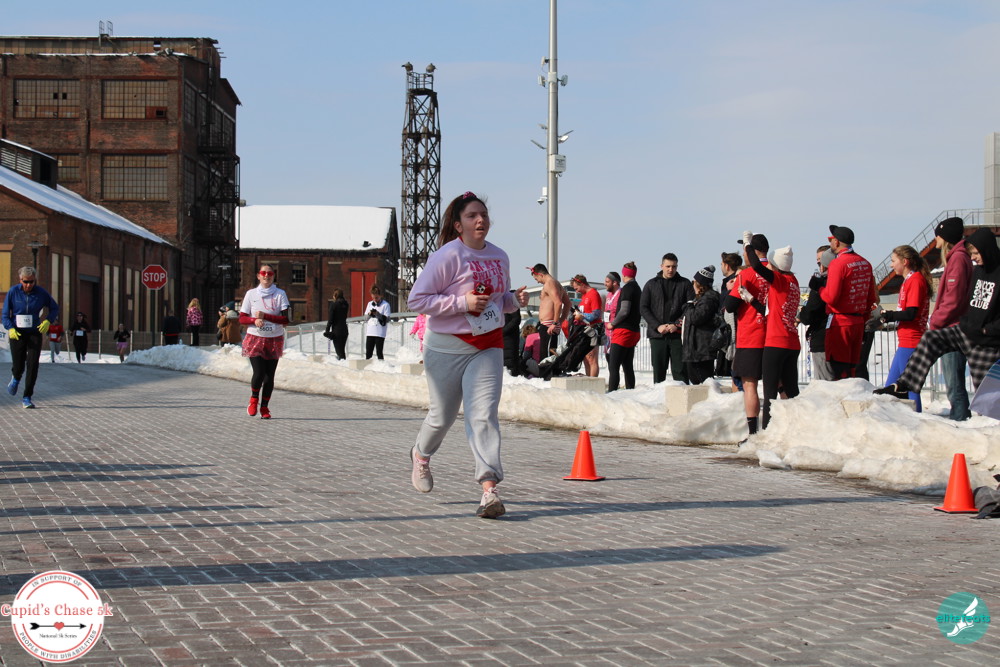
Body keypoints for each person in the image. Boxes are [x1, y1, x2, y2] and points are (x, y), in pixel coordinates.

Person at [407, 191, 528, 519]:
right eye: (472, 215)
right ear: (458, 225)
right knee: (442, 416)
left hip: (487, 344)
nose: (480, 220)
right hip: (446, 346)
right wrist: (462, 303)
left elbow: (498, 300)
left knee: (483, 415)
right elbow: (417, 300)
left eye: (484, 215)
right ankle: (421, 455)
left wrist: (513, 300)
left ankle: (489, 490)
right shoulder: (447, 256)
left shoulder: (500, 256)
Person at [876, 229, 1000, 401]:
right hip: (966, 330)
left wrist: (988, 330)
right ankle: (905, 386)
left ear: (988, 250)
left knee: (986, 397)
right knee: (931, 338)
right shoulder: (978, 270)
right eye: (971, 254)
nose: (973, 258)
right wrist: (965, 322)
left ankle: (989, 414)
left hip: (987, 340)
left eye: (976, 254)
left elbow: (954, 298)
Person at [743, 238, 801, 430]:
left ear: (776, 266)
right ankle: (795, 429)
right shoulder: (793, 282)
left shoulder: (780, 280)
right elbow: (773, 311)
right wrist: (752, 300)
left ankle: (767, 433)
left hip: (776, 342)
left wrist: (748, 245)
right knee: (791, 392)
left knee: (770, 394)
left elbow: (757, 266)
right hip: (792, 342)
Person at [817, 225, 878, 379]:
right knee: (853, 370)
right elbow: (871, 298)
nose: (831, 243)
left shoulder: (838, 264)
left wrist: (819, 288)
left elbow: (831, 297)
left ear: (836, 242)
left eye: (831, 240)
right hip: (858, 322)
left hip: (840, 323)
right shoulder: (865, 263)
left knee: (840, 372)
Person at [725, 234, 771, 436]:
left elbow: (730, 305)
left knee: (750, 385)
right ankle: (776, 428)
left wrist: (731, 289)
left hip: (751, 334)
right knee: (775, 385)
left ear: (750, 251)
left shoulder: (747, 274)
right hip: (773, 335)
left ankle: (753, 433)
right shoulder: (776, 271)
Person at [878, 245, 933, 411]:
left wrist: (890, 315)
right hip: (906, 340)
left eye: (893, 261)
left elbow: (911, 313)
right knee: (890, 389)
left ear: (905, 261)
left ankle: (917, 420)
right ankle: (897, 421)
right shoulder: (909, 280)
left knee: (909, 387)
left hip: (912, 340)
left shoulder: (916, 280)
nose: (891, 265)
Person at [928, 217, 973, 420]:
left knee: (954, 383)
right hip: (952, 325)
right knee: (953, 382)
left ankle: (960, 419)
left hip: (952, 328)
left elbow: (953, 299)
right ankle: (960, 416)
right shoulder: (958, 258)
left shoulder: (958, 259)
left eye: (938, 235)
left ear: (945, 238)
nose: (935, 240)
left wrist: (936, 321)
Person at [3, 265, 60, 409]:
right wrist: (10, 328)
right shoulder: (13, 292)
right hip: (17, 333)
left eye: (31, 282)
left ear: (35, 280)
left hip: (34, 332)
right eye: (25, 281)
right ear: (20, 280)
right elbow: (5, 315)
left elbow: (54, 308)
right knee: (18, 365)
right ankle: (16, 378)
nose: (28, 285)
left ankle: (27, 397)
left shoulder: (41, 293)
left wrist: (48, 321)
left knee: (33, 364)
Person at [239, 263, 290, 419]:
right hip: (255, 337)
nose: (266, 276)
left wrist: (265, 316)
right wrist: (254, 320)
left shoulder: (280, 294)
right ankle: (254, 399)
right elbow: (242, 318)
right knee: (259, 372)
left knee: (269, 376)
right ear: (258, 276)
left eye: (270, 273)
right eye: (263, 273)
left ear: (273, 276)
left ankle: (265, 407)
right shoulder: (251, 294)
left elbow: (285, 319)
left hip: (274, 338)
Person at [640, 253, 695, 383]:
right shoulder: (651, 284)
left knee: (680, 371)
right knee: (658, 371)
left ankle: (682, 395)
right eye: (668, 266)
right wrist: (657, 326)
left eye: (674, 267)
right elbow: (643, 308)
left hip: (678, 335)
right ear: (661, 266)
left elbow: (690, 307)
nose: (671, 269)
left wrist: (677, 324)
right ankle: (658, 396)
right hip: (657, 335)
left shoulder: (685, 283)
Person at [799, 246, 836, 381]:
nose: (820, 266)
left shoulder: (821, 285)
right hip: (838, 337)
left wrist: (802, 313)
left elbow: (809, 314)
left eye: (822, 262)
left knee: (825, 382)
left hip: (822, 338)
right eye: (818, 262)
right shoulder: (840, 282)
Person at [681, 265, 721, 385]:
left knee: (702, 382)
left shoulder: (708, 299)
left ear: (699, 284)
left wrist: (689, 306)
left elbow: (696, 318)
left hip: (701, 349)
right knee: (697, 380)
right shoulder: (702, 299)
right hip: (696, 349)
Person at [607, 262, 642, 391]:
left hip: (623, 331)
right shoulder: (637, 288)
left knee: (613, 366)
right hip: (634, 330)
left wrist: (613, 323)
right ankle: (630, 392)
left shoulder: (627, 288)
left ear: (624, 274)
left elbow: (624, 311)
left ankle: (611, 393)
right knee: (627, 366)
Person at [529, 263, 571, 358]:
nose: (537, 282)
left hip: (549, 325)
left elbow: (558, 303)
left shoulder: (549, 283)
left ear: (540, 275)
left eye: (536, 279)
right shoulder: (556, 283)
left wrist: (555, 323)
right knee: (547, 356)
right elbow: (568, 303)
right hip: (549, 324)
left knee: (546, 358)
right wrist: (560, 320)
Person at [569, 274, 602, 377]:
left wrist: (582, 316)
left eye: (576, 288)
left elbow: (596, 314)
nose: (576, 291)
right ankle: (589, 381)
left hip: (593, 329)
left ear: (582, 284)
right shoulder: (584, 296)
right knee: (586, 359)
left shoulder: (593, 294)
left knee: (592, 359)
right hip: (585, 330)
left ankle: (593, 383)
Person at [717, 253, 742, 379]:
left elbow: (726, 305)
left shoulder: (733, 282)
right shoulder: (728, 282)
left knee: (729, 368)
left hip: (732, 330)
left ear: (727, 266)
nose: (721, 267)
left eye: (721, 264)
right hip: (729, 329)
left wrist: (727, 291)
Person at [364, 285, 391, 360]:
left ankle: (381, 365)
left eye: (376, 298)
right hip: (370, 331)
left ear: (380, 296)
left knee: (379, 352)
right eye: (373, 298)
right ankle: (368, 365)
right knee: (368, 353)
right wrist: (370, 313)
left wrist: (378, 314)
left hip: (380, 332)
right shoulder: (369, 304)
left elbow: (387, 319)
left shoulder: (385, 305)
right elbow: (365, 318)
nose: (375, 300)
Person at [324, 288, 350, 360]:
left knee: (339, 352)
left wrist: (327, 330)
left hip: (337, 331)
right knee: (342, 350)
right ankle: (344, 363)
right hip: (344, 330)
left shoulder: (334, 305)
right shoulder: (346, 304)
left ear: (335, 296)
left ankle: (343, 365)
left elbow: (330, 319)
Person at [602, 272, 621, 364]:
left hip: (616, 333)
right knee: (609, 360)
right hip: (607, 334)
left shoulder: (621, 294)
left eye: (607, 282)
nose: (605, 284)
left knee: (615, 363)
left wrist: (613, 323)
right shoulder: (609, 295)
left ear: (614, 282)